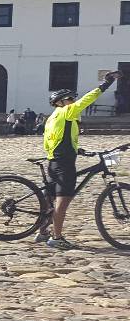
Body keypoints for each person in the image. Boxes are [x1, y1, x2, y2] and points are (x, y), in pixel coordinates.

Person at [41, 73, 120, 249]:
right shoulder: (67, 112)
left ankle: (42, 231)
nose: (73, 102)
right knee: (64, 198)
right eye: (69, 99)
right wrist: (106, 84)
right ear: (61, 102)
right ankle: (57, 237)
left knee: (51, 197)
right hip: (64, 163)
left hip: (54, 160)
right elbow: (87, 99)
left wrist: (78, 150)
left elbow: (51, 140)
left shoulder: (52, 118)